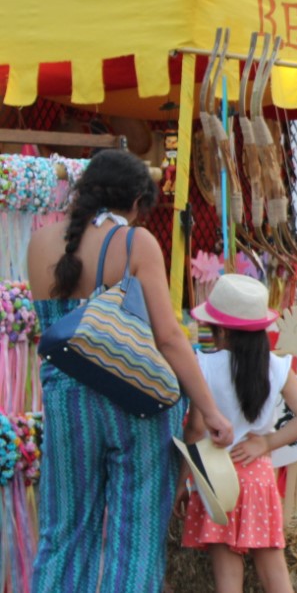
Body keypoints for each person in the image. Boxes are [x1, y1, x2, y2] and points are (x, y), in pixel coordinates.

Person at [26, 149, 234, 592]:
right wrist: (210, 411)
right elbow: (170, 338)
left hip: (66, 406)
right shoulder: (135, 242)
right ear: (138, 202)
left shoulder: (41, 240)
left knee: (63, 533)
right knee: (135, 538)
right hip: (135, 405)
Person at [182, 274, 297, 593]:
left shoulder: (202, 365)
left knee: (228, 580)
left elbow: (196, 429)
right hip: (258, 478)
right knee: (275, 574)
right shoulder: (277, 366)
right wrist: (267, 442)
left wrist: (183, 480)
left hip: (218, 479)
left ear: (223, 329)